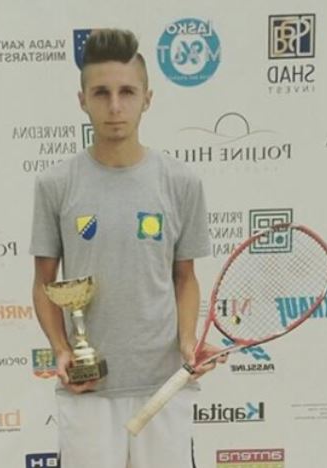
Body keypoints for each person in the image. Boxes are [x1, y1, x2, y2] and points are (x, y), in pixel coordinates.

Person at [29, 28, 225, 468]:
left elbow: (185, 278)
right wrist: (62, 350)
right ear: (82, 100)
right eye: (101, 93)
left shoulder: (181, 182)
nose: (115, 106)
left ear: (147, 99)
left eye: (127, 92)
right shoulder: (55, 184)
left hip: (164, 384)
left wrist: (188, 340)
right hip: (88, 388)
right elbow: (44, 284)